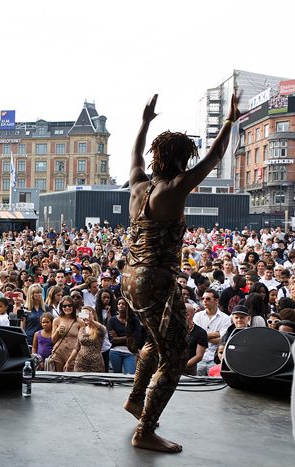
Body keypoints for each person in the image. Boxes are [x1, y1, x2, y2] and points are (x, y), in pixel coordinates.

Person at [120, 93, 240, 452]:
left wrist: (144, 123)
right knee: (173, 357)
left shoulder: (139, 183)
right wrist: (230, 122)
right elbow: (215, 156)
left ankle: (136, 398)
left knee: (155, 345)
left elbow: (134, 155)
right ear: (180, 159)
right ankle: (145, 431)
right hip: (155, 279)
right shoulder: (174, 188)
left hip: (132, 275)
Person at [65, 306, 105, 372]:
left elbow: (102, 329)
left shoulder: (99, 329)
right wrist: (68, 362)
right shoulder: (82, 329)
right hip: (80, 363)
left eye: (87, 314)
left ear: (92, 315)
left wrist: (92, 321)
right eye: (83, 315)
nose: (85, 317)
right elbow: (77, 348)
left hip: (96, 364)